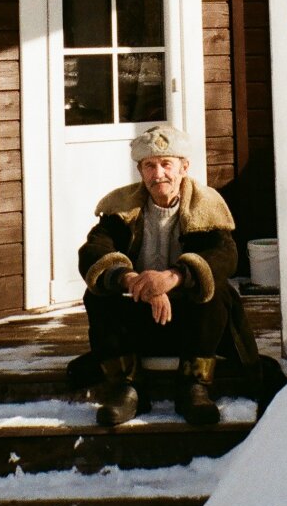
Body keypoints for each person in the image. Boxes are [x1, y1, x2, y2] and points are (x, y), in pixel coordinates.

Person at [78, 123, 258, 428]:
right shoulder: (121, 209)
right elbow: (94, 250)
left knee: (218, 290)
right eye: (149, 166)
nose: (158, 174)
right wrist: (132, 280)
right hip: (137, 321)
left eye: (166, 164)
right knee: (97, 291)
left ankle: (194, 386)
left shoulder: (207, 206)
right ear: (140, 170)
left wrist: (173, 278)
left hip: (190, 325)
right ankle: (127, 387)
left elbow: (224, 256)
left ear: (184, 167)